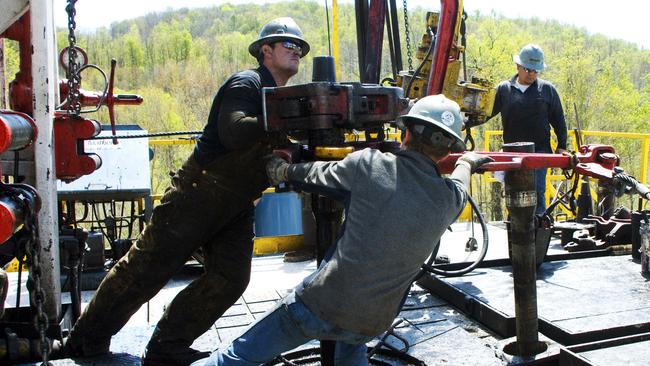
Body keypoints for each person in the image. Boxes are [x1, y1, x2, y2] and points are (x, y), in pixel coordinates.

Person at [64, 17, 310, 366]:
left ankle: (169, 345)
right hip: (197, 194)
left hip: (236, 204)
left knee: (230, 278)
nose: (296, 50)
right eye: (288, 44)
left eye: (299, 46)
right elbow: (234, 132)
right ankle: (84, 341)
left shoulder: (281, 98)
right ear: (265, 50)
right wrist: (289, 118)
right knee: (146, 270)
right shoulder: (248, 84)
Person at [190, 95, 493, 366]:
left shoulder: (369, 164)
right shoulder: (449, 200)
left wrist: (283, 170)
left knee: (236, 357)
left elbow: (316, 175)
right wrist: (467, 162)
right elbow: (460, 183)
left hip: (320, 304)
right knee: (351, 345)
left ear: (406, 133)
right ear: (446, 152)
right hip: (374, 320)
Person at [490, 43, 568, 215]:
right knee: (514, 194)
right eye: (528, 69)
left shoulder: (547, 90)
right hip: (512, 153)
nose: (532, 74)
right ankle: (517, 228)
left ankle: (539, 227)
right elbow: (486, 113)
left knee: (537, 192)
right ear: (518, 66)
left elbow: (559, 120)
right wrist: (464, 122)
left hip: (539, 153)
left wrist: (562, 145)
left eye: (536, 70)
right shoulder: (504, 89)